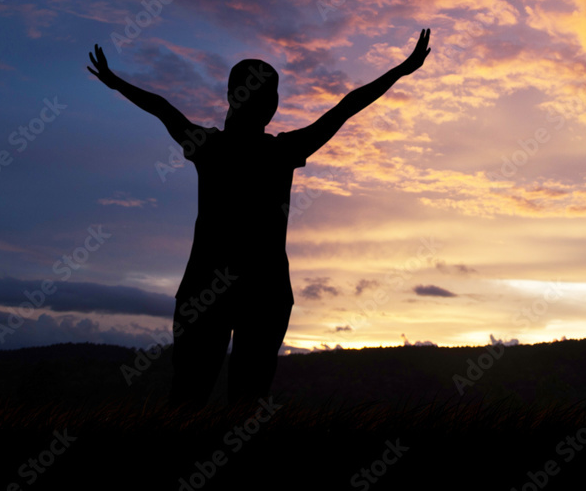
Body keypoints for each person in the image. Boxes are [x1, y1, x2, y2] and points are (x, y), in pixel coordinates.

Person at [87, 29, 432, 407]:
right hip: (259, 291)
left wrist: (117, 82)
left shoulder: (214, 147)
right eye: (269, 97)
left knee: (195, 396)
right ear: (266, 105)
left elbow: (162, 108)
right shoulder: (276, 151)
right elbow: (345, 108)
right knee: (231, 398)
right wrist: (400, 70)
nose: (270, 105)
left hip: (222, 290)